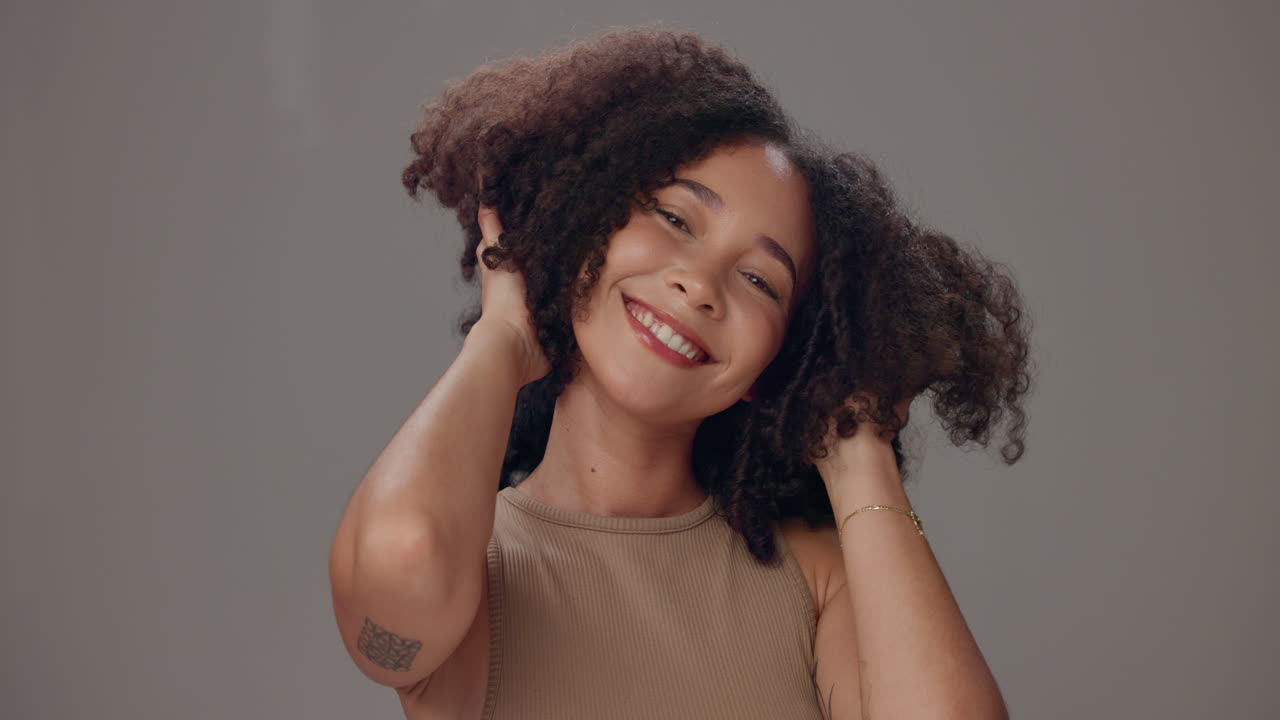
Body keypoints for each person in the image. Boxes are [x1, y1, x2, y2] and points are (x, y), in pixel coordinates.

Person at [329, 25, 1031, 719]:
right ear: (584, 226)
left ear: (776, 362)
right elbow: (404, 556)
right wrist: (506, 334)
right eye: (675, 217)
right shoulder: (475, 566)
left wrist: (859, 452)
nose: (699, 284)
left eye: (759, 280)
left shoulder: (813, 578)